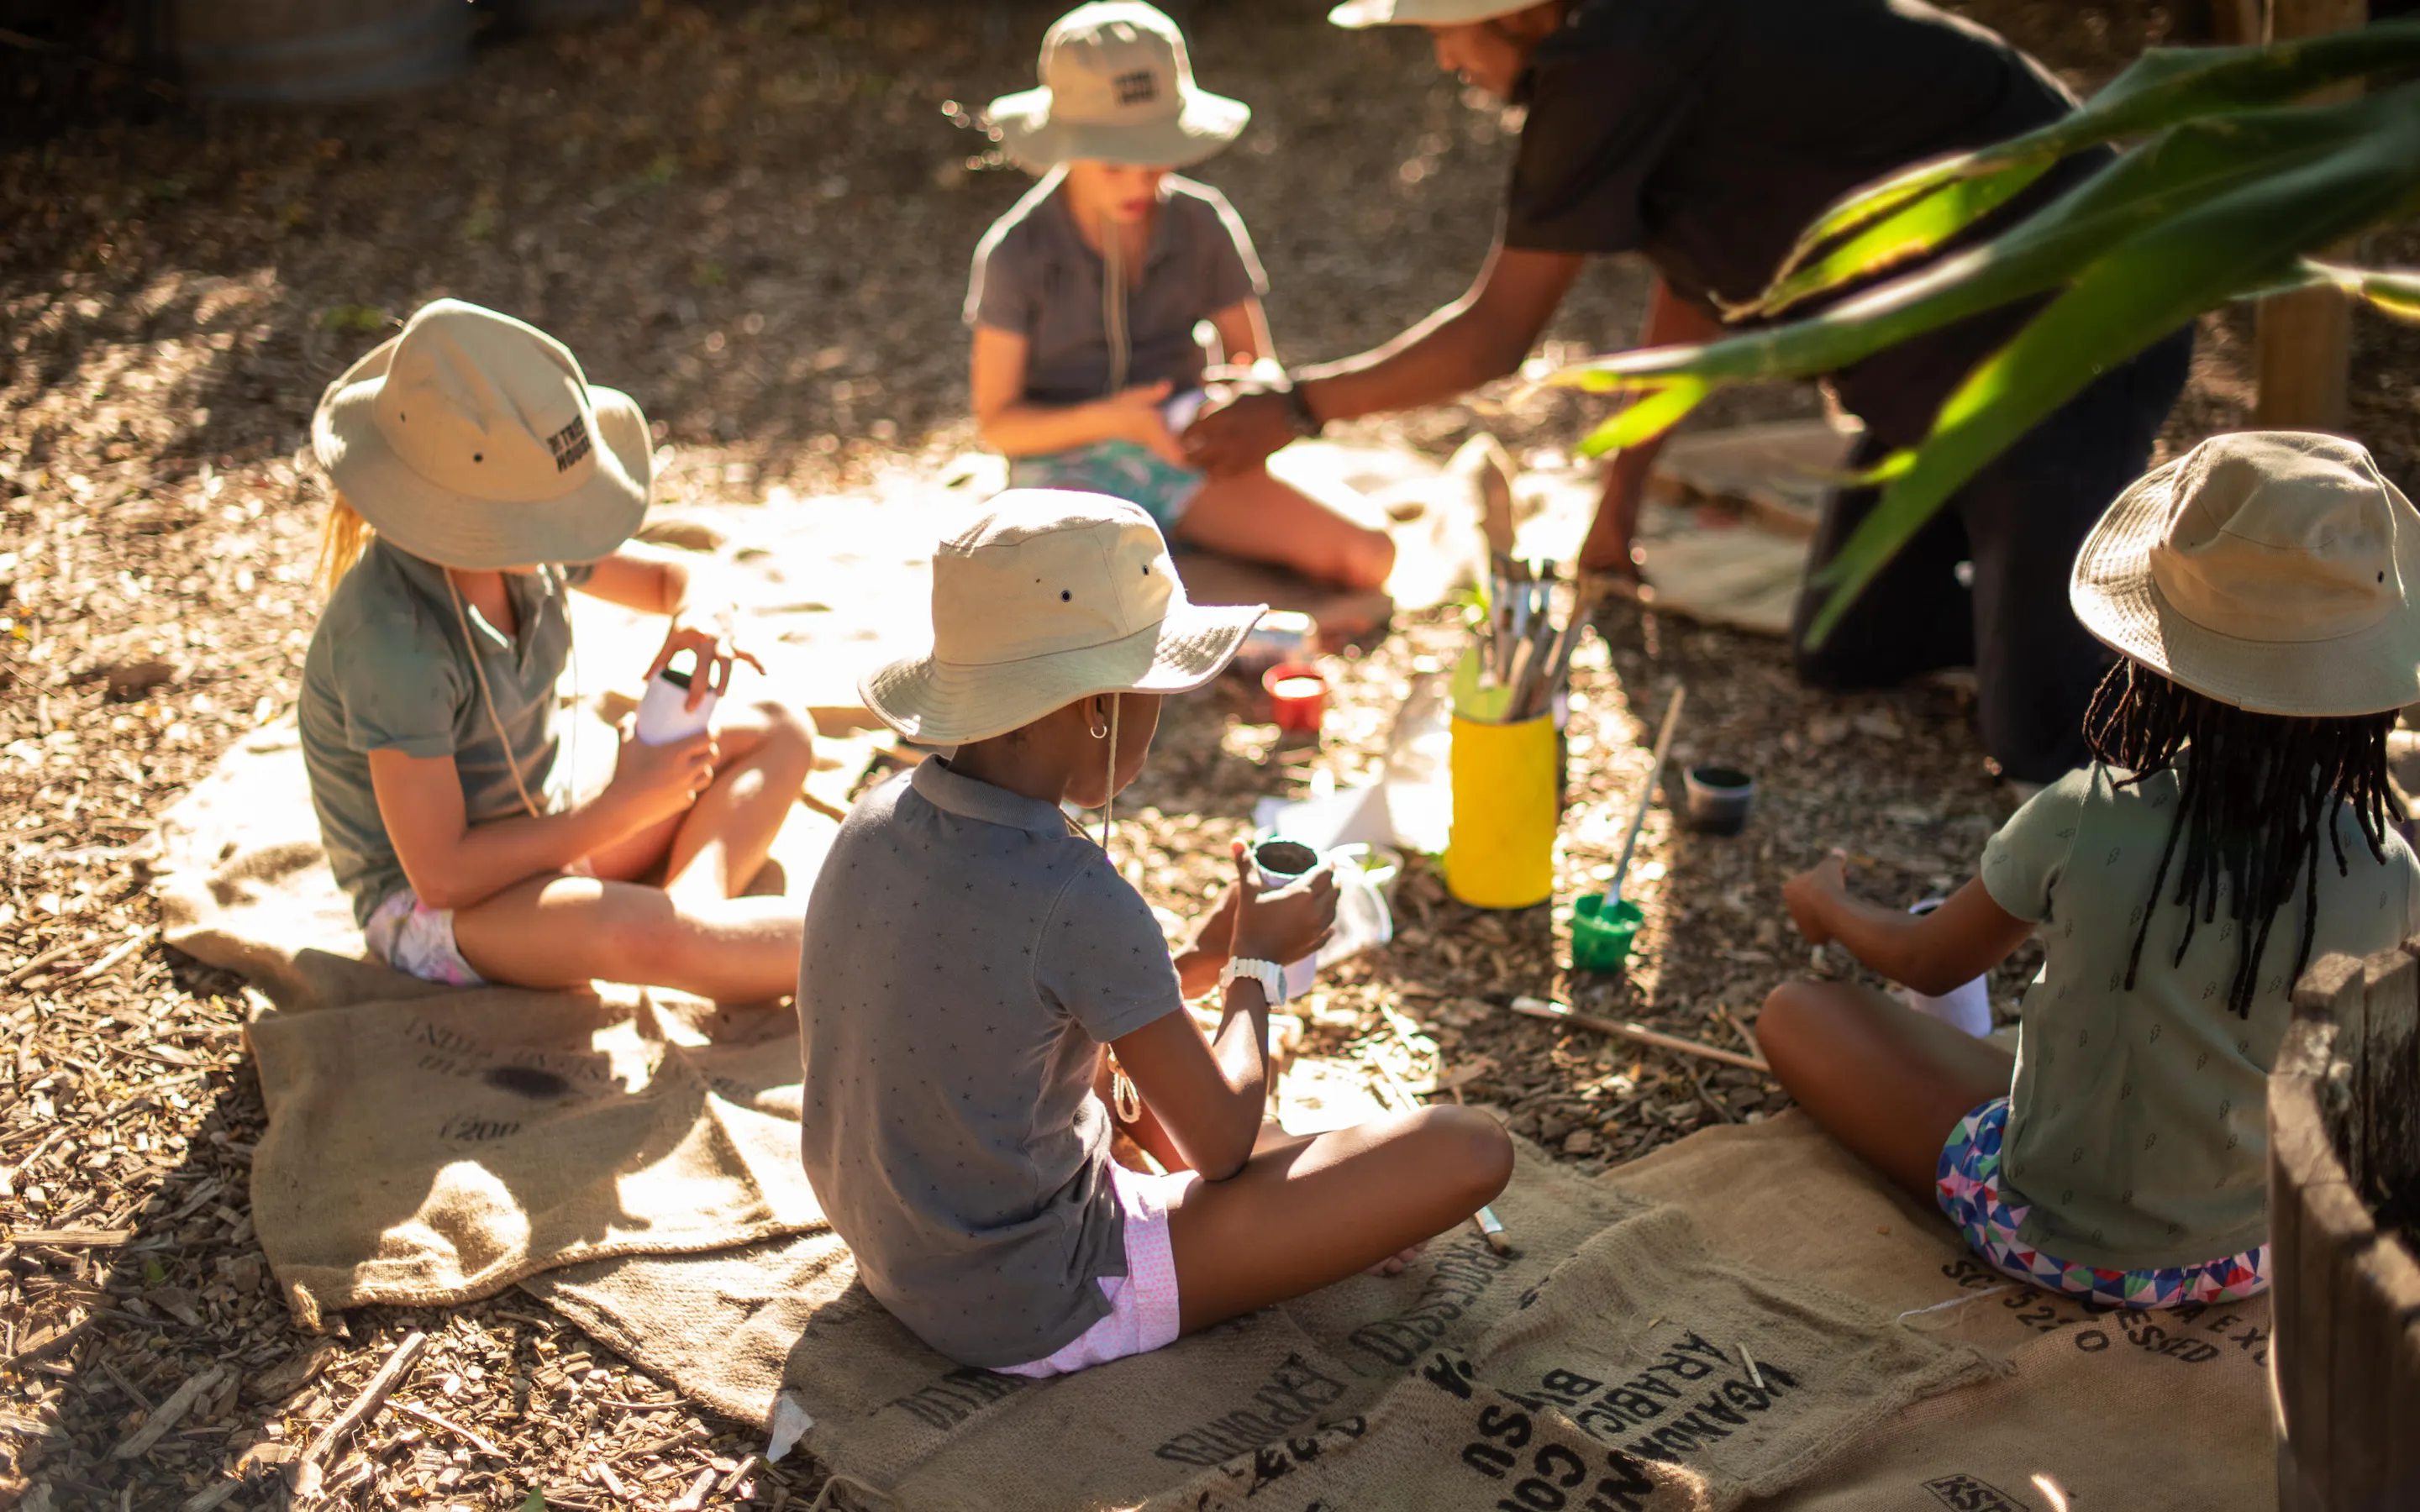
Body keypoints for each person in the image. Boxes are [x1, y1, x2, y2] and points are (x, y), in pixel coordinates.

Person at [1181, 0, 2193, 787]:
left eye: (1446, 33)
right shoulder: (1651, 49)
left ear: (1519, 16)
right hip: (1928, 379)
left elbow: (1497, 335)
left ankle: (2213, 670)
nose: (1445, 60)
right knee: (1848, 647)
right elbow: (1691, 287)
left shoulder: (1608, 65)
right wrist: (1620, 505)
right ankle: (2045, 611)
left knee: (2039, 746)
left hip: (2068, 339)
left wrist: (1299, 407)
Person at [797, 490, 1512, 1375]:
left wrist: (1201, 962)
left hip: (901, 1249)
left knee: (1246, 1133)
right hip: (1032, 1298)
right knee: (1469, 1148)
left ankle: (1314, 1211)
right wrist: (1254, 966)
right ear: (1098, 706)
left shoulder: (873, 819)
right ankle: (1312, 1224)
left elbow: (1006, 1009)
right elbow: (1222, 1147)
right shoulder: (1073, 892)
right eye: (1156, 691)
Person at [1755, 432, 2420, 1306]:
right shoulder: (2391, 869)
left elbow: (1928, 961)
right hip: (2254, 1256)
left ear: (2159, 650)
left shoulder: (2086, 812)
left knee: (1795, 1012)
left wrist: (1829, 905)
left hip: (2045, 1235)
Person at [300, 298, 814, 1002]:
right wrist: (620, 812)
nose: (567, 533)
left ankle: (695, 926)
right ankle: (710, 942)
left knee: (780, 728)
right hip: (447, 907)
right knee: (636, 934)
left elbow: (675, 576)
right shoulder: (394, 644)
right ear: (466, 520)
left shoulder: (519, 544)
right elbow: (440, 874)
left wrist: (701, 613)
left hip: (547, 820)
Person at [967, 0, 1397, 594]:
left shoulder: (1201, 220)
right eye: (1117, 163)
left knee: (1368, 554)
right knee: (1073, 606)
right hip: (1063, 465)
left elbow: (1256, 364)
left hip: (1185, 450)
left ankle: (1187, 552)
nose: (1142, 181)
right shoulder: (1017, 250)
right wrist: (1113, 421)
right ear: (1064, 143)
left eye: (1155, 154)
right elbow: (999, 424)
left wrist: (1233, 402)